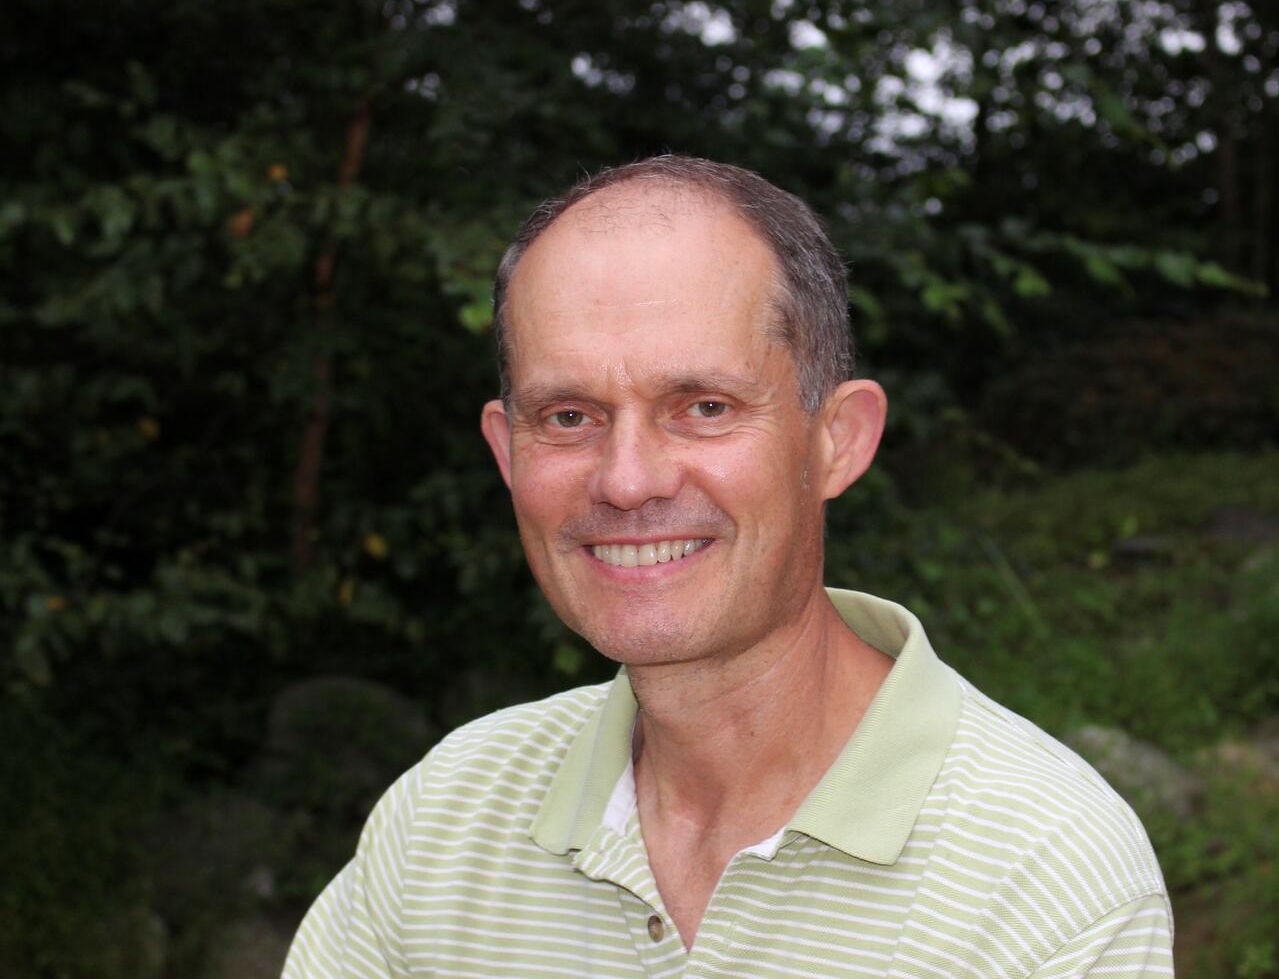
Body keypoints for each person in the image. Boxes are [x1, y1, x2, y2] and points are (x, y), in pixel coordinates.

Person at [283, 156, 1174, 978]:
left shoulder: (1048, 875)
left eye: (703, 406)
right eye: (567, 417)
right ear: (506, 453)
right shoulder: (444, 819)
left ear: (838, 441)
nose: (628, 481)